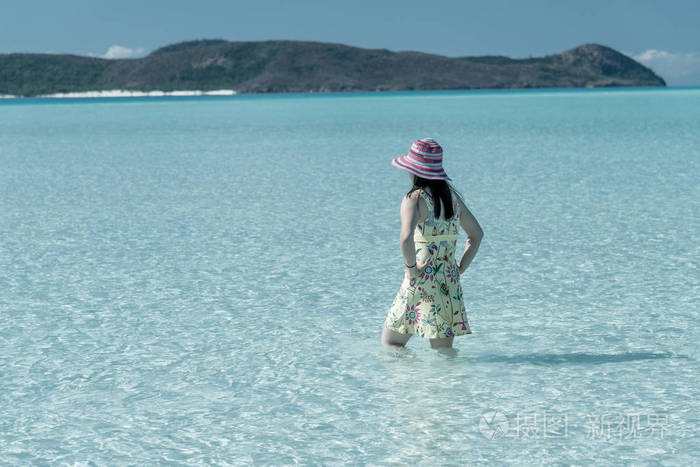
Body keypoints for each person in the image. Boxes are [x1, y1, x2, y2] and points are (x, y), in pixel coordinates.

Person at [382, 138, 484, 349]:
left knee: (391, 343)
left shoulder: (414, 198)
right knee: (444, 352)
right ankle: (444, 382)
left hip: (421, 277)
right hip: (449, 280)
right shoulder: (453, 199)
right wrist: (459, 269)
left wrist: (411, 269)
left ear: (415, 170)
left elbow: (405, 237)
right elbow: (476, 235)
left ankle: (407, 382)